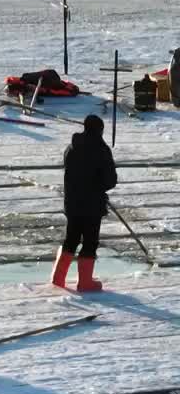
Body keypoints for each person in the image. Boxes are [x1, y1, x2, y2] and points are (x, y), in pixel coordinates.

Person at [52, 113, 116, 291]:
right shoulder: (101, 150)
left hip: (72, 202)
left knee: (71, 239)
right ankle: (85, 282)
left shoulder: (71, 148)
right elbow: (110, 181)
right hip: (92, 205)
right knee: (90, 242)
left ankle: (59, 278)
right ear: (100, 130)